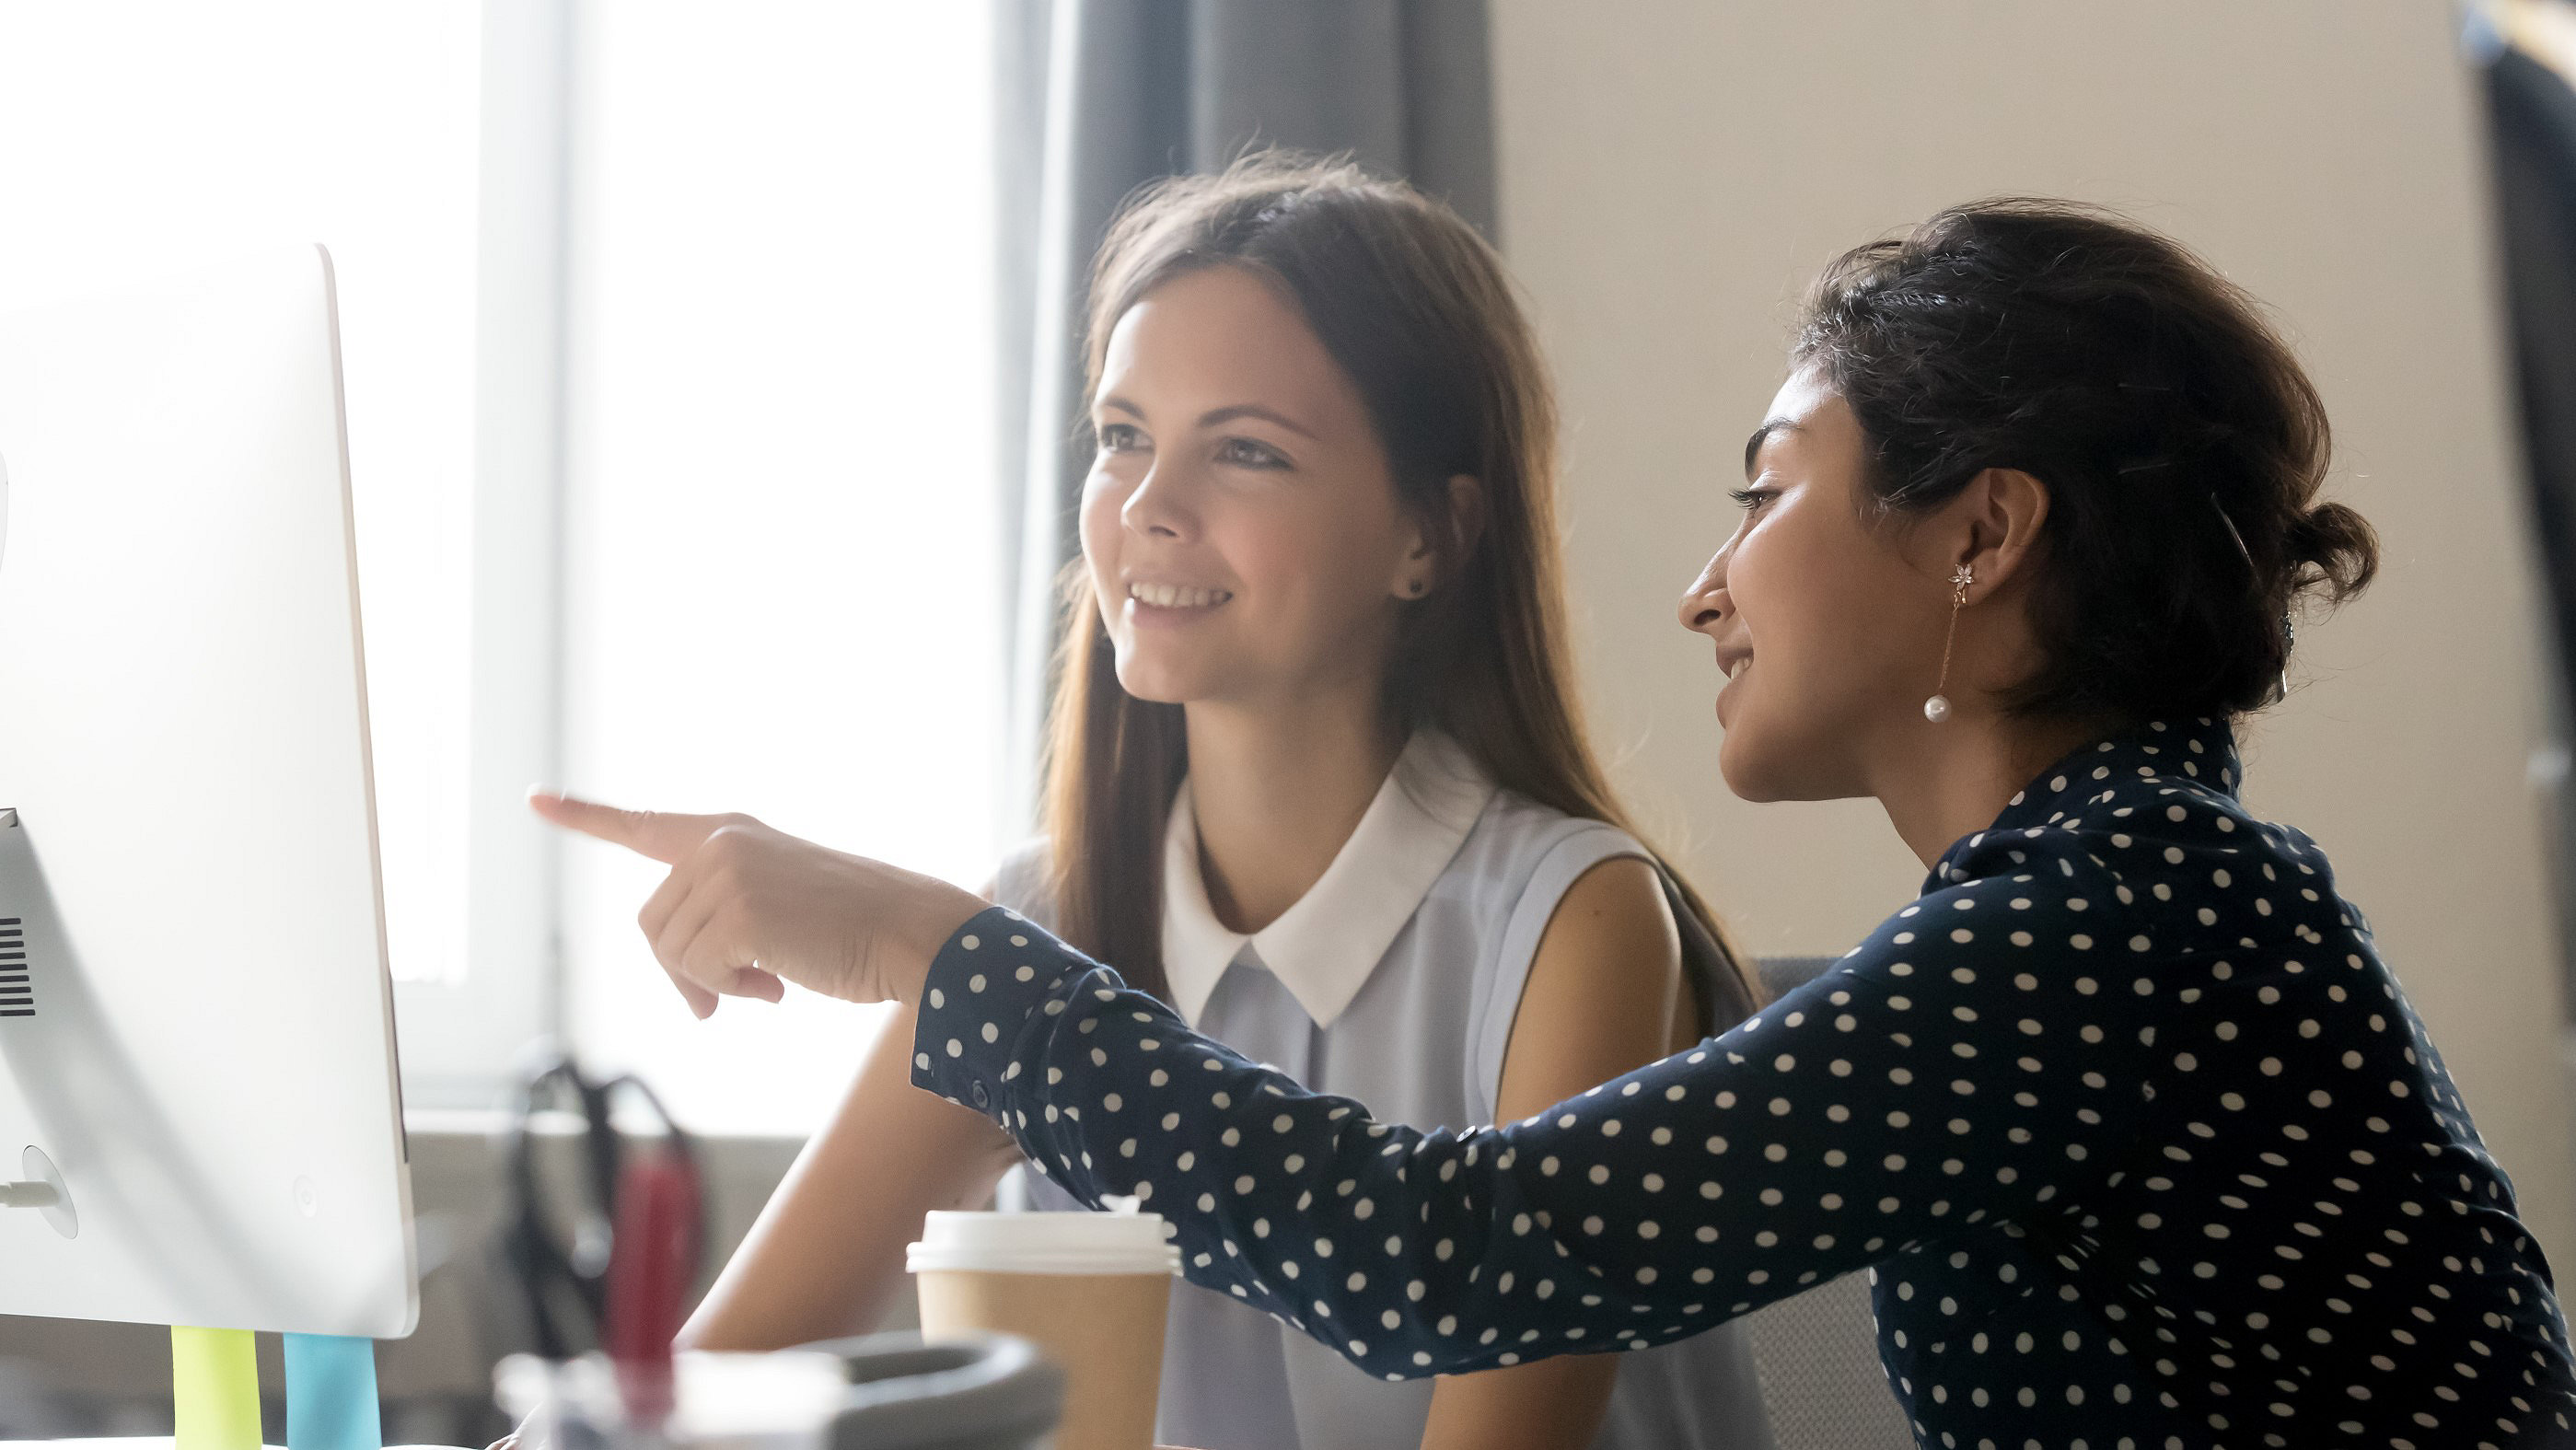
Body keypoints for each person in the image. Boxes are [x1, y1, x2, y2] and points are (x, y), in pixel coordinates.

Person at [538, 198, 2576, 1446]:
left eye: (1766, 489)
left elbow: (1464, 1247)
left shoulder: (2124, 917)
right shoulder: (2107, 901)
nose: (1708, 582)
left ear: (1979, 533)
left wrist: (929, 956)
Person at [539, 155, 1773, 1450]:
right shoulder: (1043, 921)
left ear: (1432, 535)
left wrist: (911, 937)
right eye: (1122, 437)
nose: (1146, 508)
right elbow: (693, 1403)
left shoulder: (1574, 925)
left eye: (1244, 451)